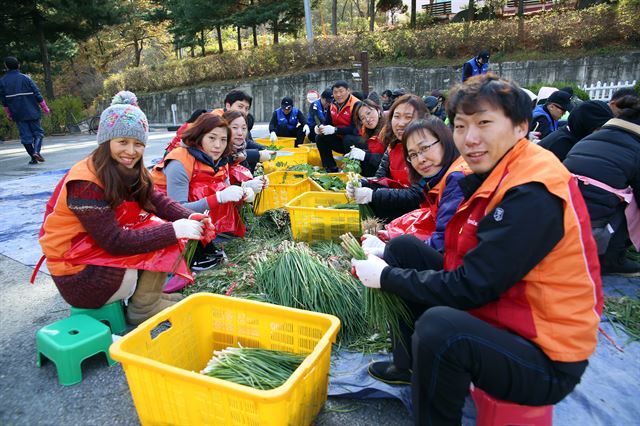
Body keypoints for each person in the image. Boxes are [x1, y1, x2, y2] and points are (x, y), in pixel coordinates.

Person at [351, 74, 603, 425]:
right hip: (505, 313)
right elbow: (458, 259)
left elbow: (473, 285)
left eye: (484, 123)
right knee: (406, 249)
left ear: (520, 126)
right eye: (460, 125)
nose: (470, 138)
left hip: (543, 352)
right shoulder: (493, 172)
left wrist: (389, 278)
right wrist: (395, 261)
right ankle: (406, 365)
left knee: (440, 330)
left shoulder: (532, 189)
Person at [38, 91, 214, 325]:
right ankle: (144, 306)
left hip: (93, 258)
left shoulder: (127, 170)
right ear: (106, 141)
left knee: (163, 228)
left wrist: (191, 215)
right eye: (122, 142)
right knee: (164, 232)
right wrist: (175, 230)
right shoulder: (86, 183)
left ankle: (147, 297)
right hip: (79, 276)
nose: (131, 152)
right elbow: (114, 242)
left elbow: (157, 200)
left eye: (138, 144)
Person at [151, 113, 256, 270]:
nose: (217, 146)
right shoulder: (179, 161)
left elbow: (224, 191)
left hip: (199, 219)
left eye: (223, 140)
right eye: (212, 138)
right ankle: (191, 254)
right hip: (166, 221)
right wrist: (219, 197)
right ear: (199, 137)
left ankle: (209, 243)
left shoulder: (220, 161)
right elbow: (176, 209)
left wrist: (244, 192)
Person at [353, 117, 467, 248]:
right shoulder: (392, 149)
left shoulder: (456, 178)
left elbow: (443, 244)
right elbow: (380, 177)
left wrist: (391, 251)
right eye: (413, 155)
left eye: (425, 148)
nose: (420, 159)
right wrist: (364, 183)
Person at [563, 94, 640, 277]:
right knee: (631, 203)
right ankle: (612, 260)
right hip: (590, 227)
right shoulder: (636, 148)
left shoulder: (588, 139)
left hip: (558, 219)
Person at [346, 94, 428, 222]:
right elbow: (380, 178)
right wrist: (362, 183)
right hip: (401, 203)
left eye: (408, 117)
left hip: (421, 212)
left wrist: (373, 195)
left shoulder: (427, 150)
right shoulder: (392, 146)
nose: (401, 123)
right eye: (396, 117)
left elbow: (418, 195)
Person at [0, 56, 50, 164]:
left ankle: (33, 157)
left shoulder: (2, 81)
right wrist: (45, 108)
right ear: (18, 65)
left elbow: (3, 100)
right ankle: (36, 151)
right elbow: (37, 94)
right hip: (32, 111)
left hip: (17, 113)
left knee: (25, 136)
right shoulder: (26, 78)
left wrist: (8, 113)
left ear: (6, 67)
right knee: (38, 133)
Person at [539, 100, 612, 161]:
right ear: (585, 125)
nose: (602, 134)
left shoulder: (572, 135)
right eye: (599, 129)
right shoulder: (561, 144)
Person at [316, 80, 362, 172]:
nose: (338, 95)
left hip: (356, 142)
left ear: (348, 91)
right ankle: (330, 167)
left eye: (341, 91)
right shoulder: (332, 104)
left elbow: (355, 129)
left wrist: (335, 130)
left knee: (348, 138)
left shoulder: (356, 104)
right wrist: (320, 127)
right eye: (335, 92)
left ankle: (351, 167)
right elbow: (327, 122)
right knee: (320, 137)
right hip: (340, 139)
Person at [223, 109, 270, 190]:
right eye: (235, 127)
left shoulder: (240, 152)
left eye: (244, 128)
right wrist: (243, 186)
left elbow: (246, 176)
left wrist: (257, 180)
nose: (240, 133)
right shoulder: (219, 153)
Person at [344, 99, 386, 177]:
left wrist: (365, 155)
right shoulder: (368, 132)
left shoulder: (388, 131)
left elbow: (390, 162)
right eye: (362, 118)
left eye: (369, 113)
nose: (367, 119)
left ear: (378, 111)